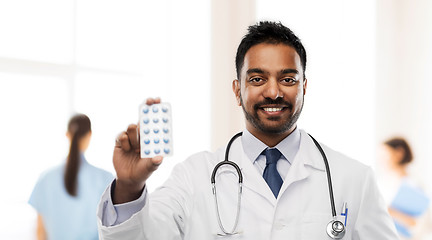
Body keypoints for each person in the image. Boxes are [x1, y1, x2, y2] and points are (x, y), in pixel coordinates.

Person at [97, 21, 398, 239]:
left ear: (304, 88)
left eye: (288, 79)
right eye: (257, 79)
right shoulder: (193, 178)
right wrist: (128, 188)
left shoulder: (353, 180)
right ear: (237, 90)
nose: (273, 92)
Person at [29, 114, 114, 240]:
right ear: (89, 135)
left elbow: (40, 232)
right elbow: (112, 230)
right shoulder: (105, 179)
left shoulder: (45, 179)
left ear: (67, 135)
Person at [377, 137, 432, 239]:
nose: (381, 160)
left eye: (385, 155)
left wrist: (391, 212)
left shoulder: (414, 186)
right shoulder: (380, 183)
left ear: (399, 153)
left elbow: (422, 225)